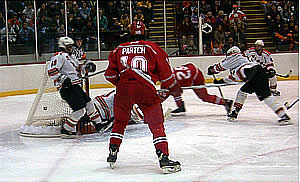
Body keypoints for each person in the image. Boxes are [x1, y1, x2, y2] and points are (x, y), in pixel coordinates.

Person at [104, 40, 182, 174]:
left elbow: (110, 75)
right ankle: (164, 157)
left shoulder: (119, 48)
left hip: (123, 87)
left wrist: (124, 85)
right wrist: (170, 85)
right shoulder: (151, 47)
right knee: (156, 124)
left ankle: (113, 151)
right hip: (145, 86)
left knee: (120, 121)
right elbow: (166, 73)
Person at [208, 46, 292, 126]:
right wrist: (220, 81)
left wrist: (212, 69)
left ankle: (284, 117)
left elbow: (220, 67)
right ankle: (234, 113)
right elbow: (233, 78)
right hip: (255, 74)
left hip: (254, 74)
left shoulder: (235, 56)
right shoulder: (241, 63)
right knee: (242, 92)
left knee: (266, 97)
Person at [47, 36, 107, 138]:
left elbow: (78, 68)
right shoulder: (59, 56)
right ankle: (66, 129)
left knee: (89, 104)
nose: (71, 48)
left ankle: (99, 125)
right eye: (68, 46)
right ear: (63, 46)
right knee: (80, 110)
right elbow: (51, 72)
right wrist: (64, 79)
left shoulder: (71, 56)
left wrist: (87, 66)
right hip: (67, 89)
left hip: (76, 87)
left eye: (71, 46)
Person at [159, 63, 233, 116]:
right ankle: (181, 106)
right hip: (191, 69)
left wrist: (150, 106)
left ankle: (225, 102)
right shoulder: (167, 73)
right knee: (173, 90)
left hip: (195, 76)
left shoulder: (166, 81)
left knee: (204, 96)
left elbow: (162, 97)